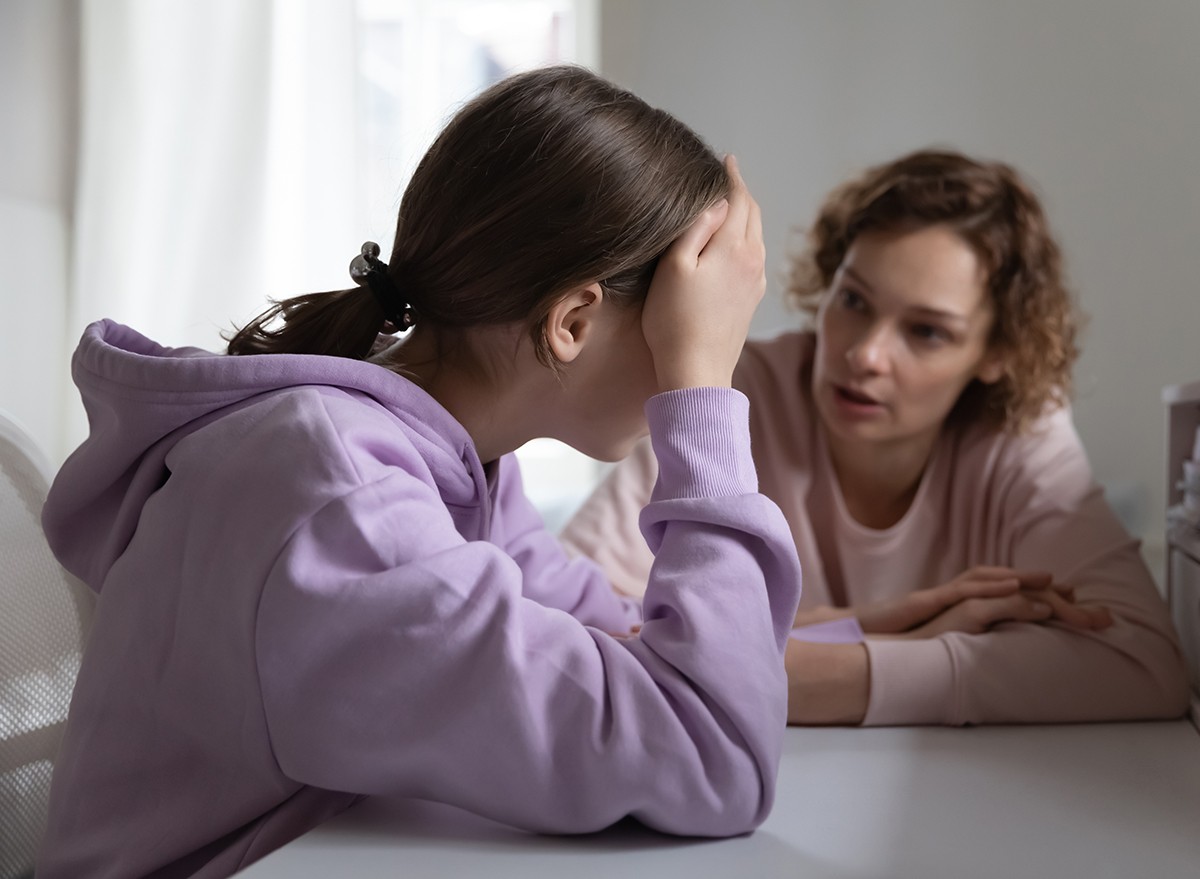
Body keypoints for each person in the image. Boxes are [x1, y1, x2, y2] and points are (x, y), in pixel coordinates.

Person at [37, 66, 802, 877]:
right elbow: (713, 756)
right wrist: (701, 392)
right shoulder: (345, 497)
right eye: (688, 324)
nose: (709, 348)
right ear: (574, 320)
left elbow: (621, 637)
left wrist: (907, 659)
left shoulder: (441, 456)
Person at [562, 149, 1189, 727]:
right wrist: (899, 642)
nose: (865, 354)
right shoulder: (733, 388)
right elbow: (569, 626)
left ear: (997, 352)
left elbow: (1145, 664)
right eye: (855, 301)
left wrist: (821, 676)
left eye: (927, 332)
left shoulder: (1019, 429)